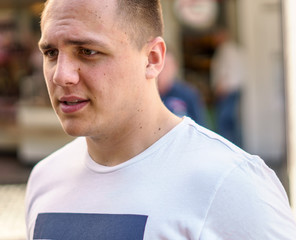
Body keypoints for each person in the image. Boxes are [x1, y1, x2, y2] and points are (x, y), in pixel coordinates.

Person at [25, 0, 296, 239]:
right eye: (51, 53)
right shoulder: (45, 178)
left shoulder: (230, 184)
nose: (61, 75)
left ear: (152, 59)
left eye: (87, 51)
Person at [211, 28, 245, 146]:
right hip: (232, 90)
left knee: (224, 123)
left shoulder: (226, 50)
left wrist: (221, 87)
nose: (214, 39)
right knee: (231, 122)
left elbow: (227, 71)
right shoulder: (232, 49)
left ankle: (226, 149)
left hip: (227, 91)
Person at [158, 50, 206, 126]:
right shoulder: (148, 96)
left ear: (175, 67)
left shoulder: (188, 94)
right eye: (159, 66)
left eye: (166, 66)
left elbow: (200, 124)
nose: (162, 71)